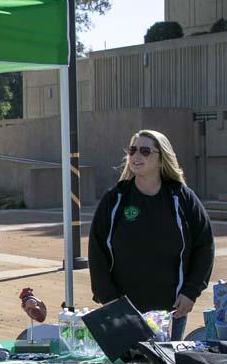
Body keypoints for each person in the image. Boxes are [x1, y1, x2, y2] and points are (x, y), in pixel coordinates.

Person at [88, 129, 215, 341]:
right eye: (132, 150)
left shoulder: (181, 197)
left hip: (170, 311)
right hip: (123, 311)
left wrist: (191, 291)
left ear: (161, 158)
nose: (136, 156)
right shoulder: (116, 198)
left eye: (145, 151)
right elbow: (96, 250)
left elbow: (205, 245)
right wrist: (108, 298)